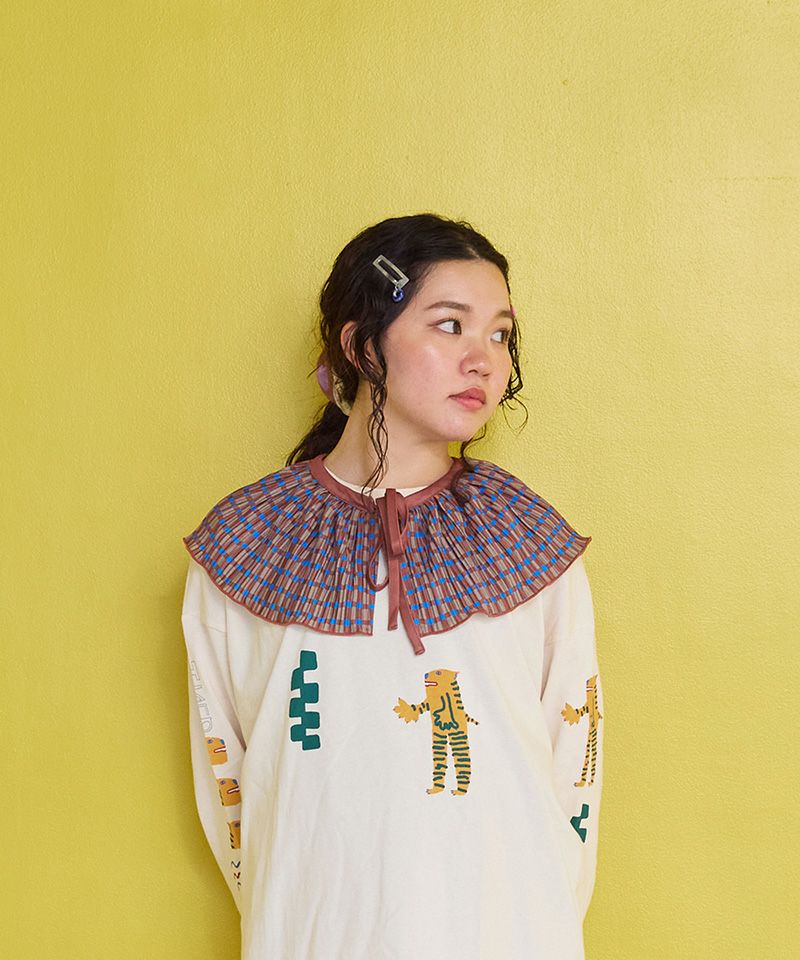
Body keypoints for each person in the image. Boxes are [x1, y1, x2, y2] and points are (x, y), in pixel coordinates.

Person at [180, 213, 604, 960]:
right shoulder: (245, 545)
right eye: (451, 325)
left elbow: (577, 771)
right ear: (360, 345)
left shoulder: (528, 540)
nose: (483, 360)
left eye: (500, 334)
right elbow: (230, 788)